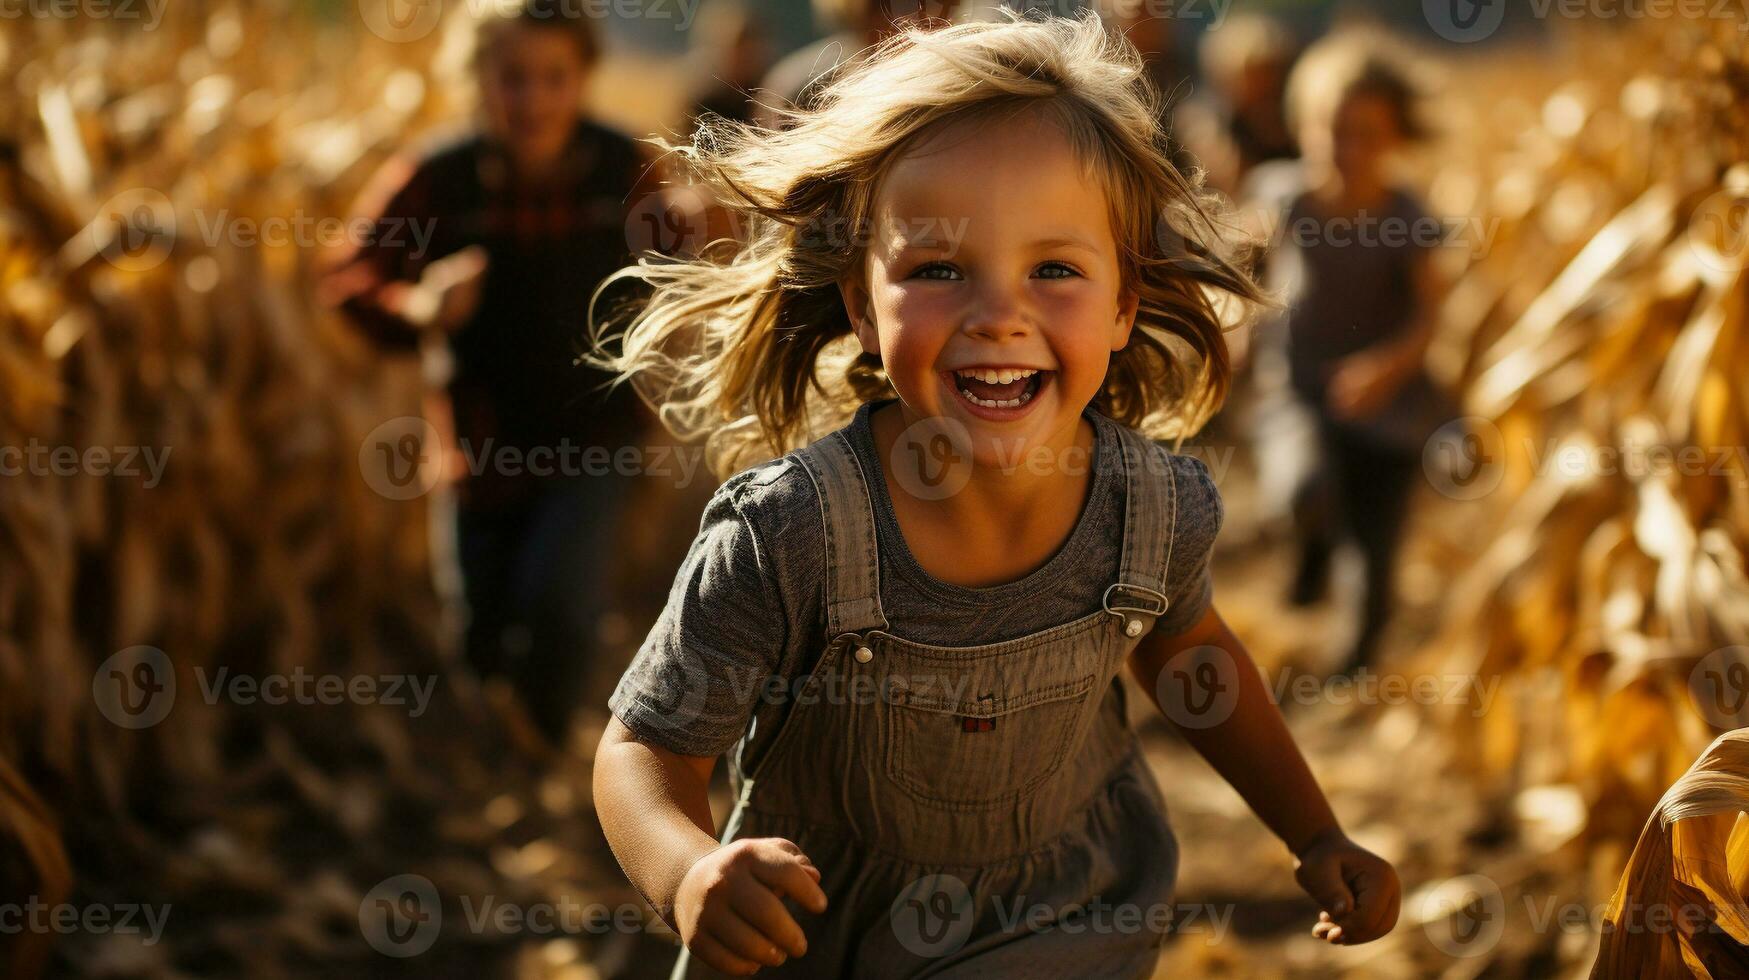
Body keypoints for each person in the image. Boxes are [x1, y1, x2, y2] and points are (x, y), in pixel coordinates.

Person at [591, 13, 1401, 977]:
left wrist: (1314, 835)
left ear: (1122, 304)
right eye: (938, 270)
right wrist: (688, 874)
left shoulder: (1149, 513)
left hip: (1064, 919)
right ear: (860, 302)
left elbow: (1195, 666)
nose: (999, 315)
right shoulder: (791, 534)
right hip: (820, 937)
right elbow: (643, 753)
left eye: (1053, 269)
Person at [321, 0, 663, 743]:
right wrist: (418, 306)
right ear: (475, 77)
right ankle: (493, 752)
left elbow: (682, 262)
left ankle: (545, 748)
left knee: (559, 606)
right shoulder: (436, 179)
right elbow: (348, 277)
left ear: (583, 78)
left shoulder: (623, 169)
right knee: (477, 622)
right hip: (479, 443)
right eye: (512, 78)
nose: (532, 99)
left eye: (553, 78)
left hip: (594, 435)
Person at [1251, 33, 1456, 675]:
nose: (1348, 150)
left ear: (1396, 136)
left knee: (1375, 551)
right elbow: (1241, 272)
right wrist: (1231, 332)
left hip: (1390, 405)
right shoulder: (1283, 198)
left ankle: (1353, 670)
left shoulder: (1410, 217)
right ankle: (1311, 551)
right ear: (1303, 127)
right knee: (1304, 487)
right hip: (1300, 390)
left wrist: (1386, 369)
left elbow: (1430, 316)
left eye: (1367, 134)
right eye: (1332, 131)